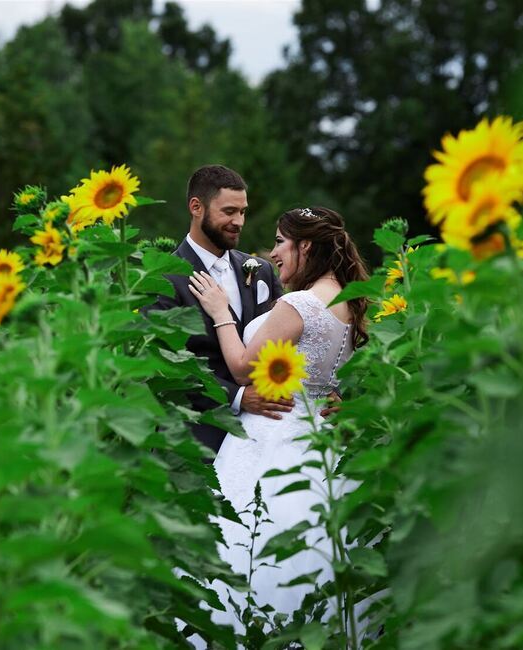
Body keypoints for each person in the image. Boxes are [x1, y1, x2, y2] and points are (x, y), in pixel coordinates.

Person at [186, 206, 370, 634]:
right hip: (321, 439)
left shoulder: (299, 303)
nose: (272, 253)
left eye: (280, 242)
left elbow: (243, 369)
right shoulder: (349, 301)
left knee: (249, 542)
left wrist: (220, 312)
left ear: (305, 246)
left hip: (273, 432)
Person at [149, 165, 293, 454]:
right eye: (229, 211)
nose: (238, 221)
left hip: (264, 438)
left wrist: (325, 391)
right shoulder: (162, 278)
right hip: (196, 440)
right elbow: (164, 364)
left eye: (243, 212)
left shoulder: (261, 271)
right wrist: (237, 397)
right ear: (196, 207)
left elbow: (292, 340)